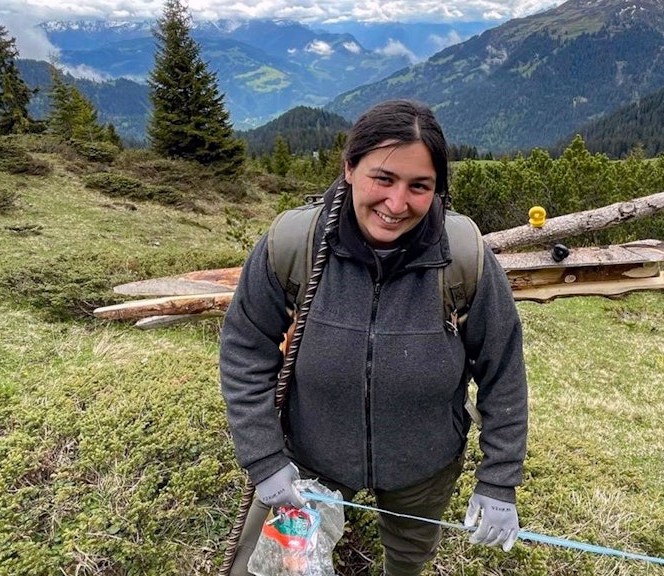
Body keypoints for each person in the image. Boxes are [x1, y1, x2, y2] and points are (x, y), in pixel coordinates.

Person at [219, 99, 528, 576]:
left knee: (407, 563)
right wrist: (264, 459)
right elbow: (245, 346)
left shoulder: (463, 258)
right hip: (310, 457)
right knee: (269, 567)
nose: (397, 203)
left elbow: (502, 369)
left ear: (436, 190)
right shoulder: (293, 243)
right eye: (382, 178)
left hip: (422, 463)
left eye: (419, 186)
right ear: (349, 168)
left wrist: (499, 481)